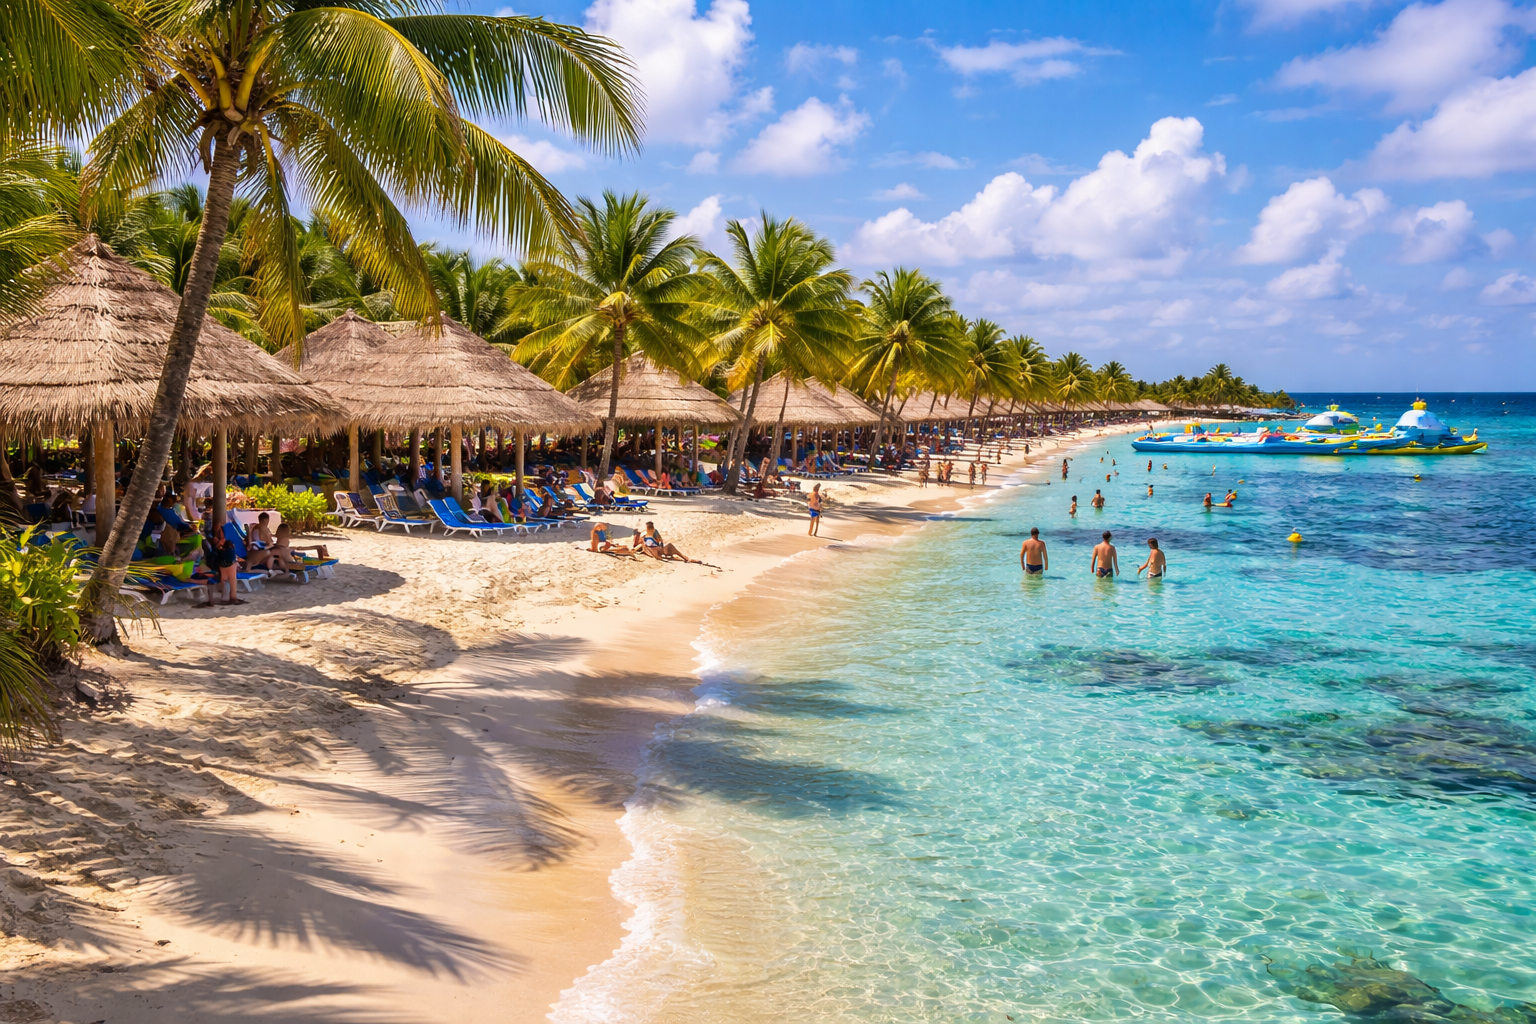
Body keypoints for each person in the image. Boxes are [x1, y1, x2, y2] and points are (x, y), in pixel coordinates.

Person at [198, 528, 244, 606]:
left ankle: (226, 598)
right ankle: (232, 597)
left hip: (220, 566)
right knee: (231, 579)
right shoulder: (227, 551)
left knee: (225, 580)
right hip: (226, 565)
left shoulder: (214, 550)